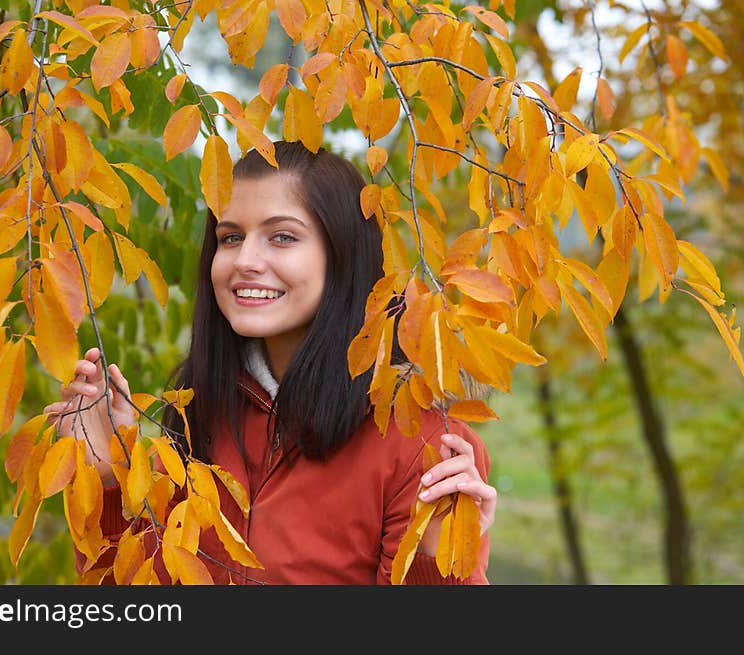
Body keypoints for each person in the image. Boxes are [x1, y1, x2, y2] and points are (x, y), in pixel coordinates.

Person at [43, 140, 497, 585]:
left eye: (282, 237)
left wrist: (439, 564)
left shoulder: (424, 441)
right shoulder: (201, 411)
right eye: (230, 237)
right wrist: (108, 480)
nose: (245, 260)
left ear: (341, 256)